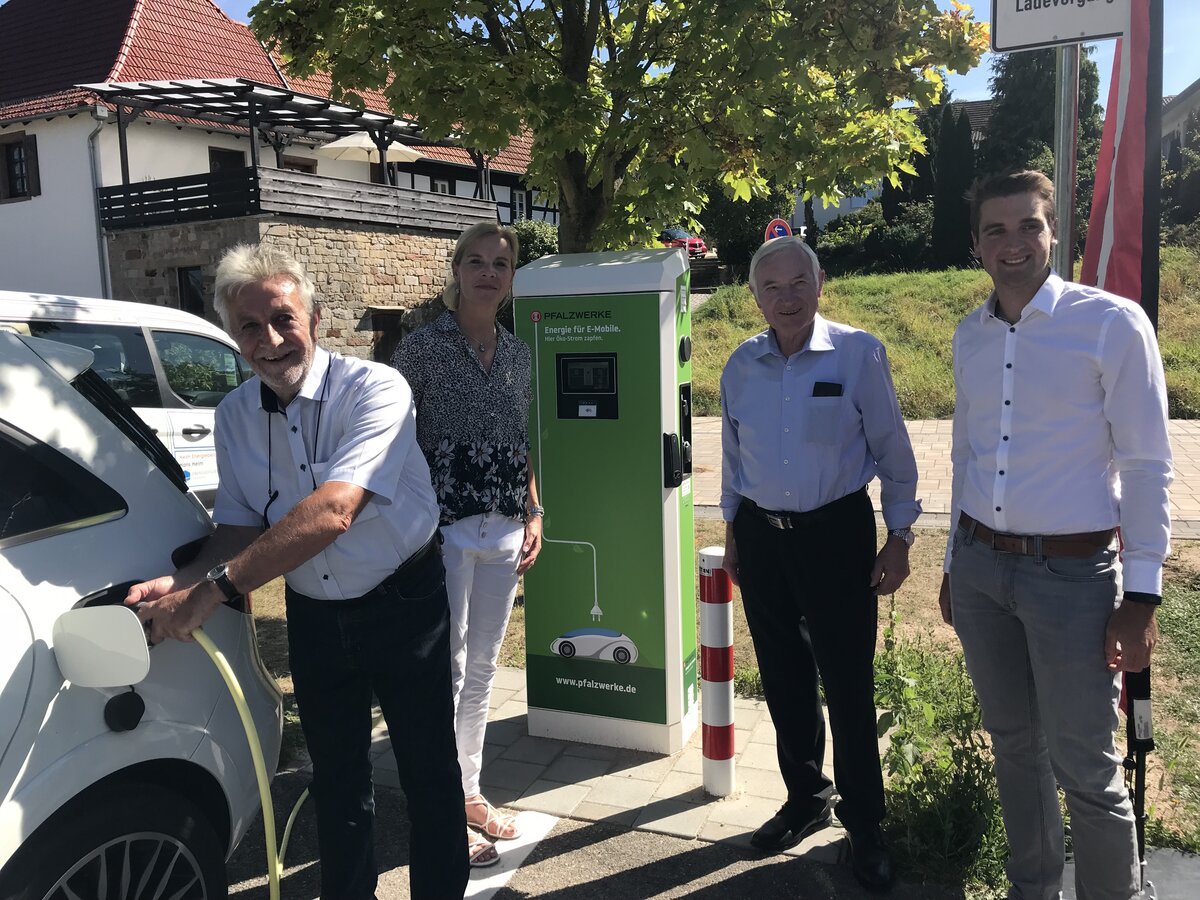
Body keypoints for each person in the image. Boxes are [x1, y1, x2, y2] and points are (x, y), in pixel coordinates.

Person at [125, 244, 468, 900]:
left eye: (283, 317)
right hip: (315, 613)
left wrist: (216, 591)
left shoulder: (377, 388)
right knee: (336, 779)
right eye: (250, 327)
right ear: (234, 336)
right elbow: (237, 528)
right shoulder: (232, 416)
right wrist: (187, 579)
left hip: (405, 600)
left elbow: (334, 511)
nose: (271, 339)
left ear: (313, 316)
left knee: (428, 772)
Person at [940, 170, 1172, 900]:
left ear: (1054, 232)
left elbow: (1146, 465)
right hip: (980, 571)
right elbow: (965, 455)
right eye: (996, 230)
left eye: (1029, 226)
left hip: (1072, 582)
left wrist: (1143, 596)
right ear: (976, 244)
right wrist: (953, 562)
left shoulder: (1109, 323)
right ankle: (1031, 888)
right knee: (1014, 747)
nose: (1014, 244)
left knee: (1087, 768)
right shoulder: (970, 335)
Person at [720, 235, 920, 892]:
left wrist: (899, 537)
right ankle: (806, 797)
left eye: (796, 283)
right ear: (754, 296)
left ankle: (865, 827)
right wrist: (734, 530)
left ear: (820, 282)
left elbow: (893, 451)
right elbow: (733, 454)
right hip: (762, 534)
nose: (786, 298)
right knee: (783, 678)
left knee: (847, 685)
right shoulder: (741, 364)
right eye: (771, 288)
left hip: (836, 535)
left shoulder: (859, 353)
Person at [393, 222, 541, 868]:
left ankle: (470, 791)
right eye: (476, 262)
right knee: (444, 670)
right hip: (444, 530)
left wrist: (534, 507)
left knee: (481, 669)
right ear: (456, 271)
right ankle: (439, 806)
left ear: (510, 279)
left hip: (505, 528)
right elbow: (392, 445)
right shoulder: (420, 352)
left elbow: (520, 440)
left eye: (500, 265)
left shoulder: (518, 356)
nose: (488, 273)